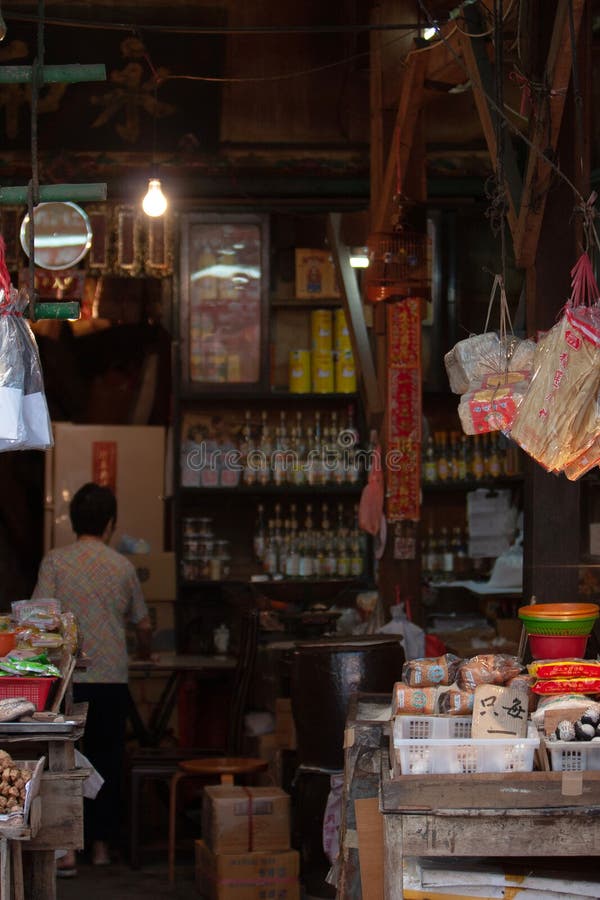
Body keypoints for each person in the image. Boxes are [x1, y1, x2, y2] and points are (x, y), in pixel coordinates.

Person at [32, 482, 152, 874]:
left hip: (67, 679)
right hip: (113, 678)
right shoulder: (122, 566)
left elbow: (39, 617)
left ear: (72, 522)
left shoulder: (54, 561)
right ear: (111, 524)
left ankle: (67, 849)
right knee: (108, 759)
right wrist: (145, 647)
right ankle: (101, 847)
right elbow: (143, 623)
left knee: (65, 760)